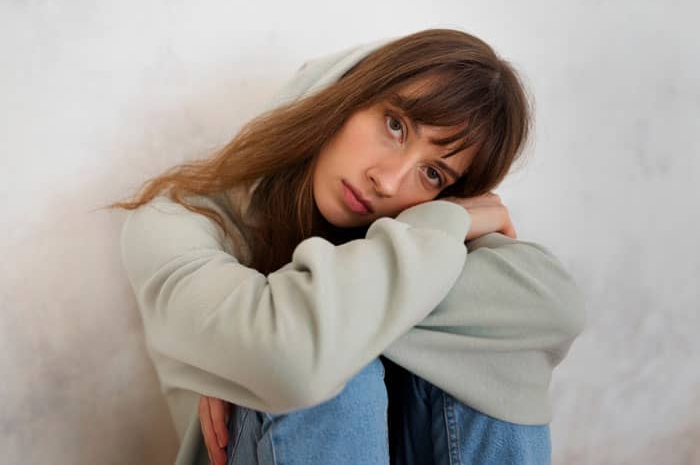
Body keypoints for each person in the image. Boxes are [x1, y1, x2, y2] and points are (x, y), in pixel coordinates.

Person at [109, 28, 586, 464]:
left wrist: (437, 226)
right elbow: (296, 354)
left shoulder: (424, 234)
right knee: (332, 368)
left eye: (432, 174)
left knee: (486, 364)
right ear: (345, 95)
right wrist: (291, 343)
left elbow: (554, 307)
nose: (388, 181)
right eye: (396, 125)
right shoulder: (175, 220)